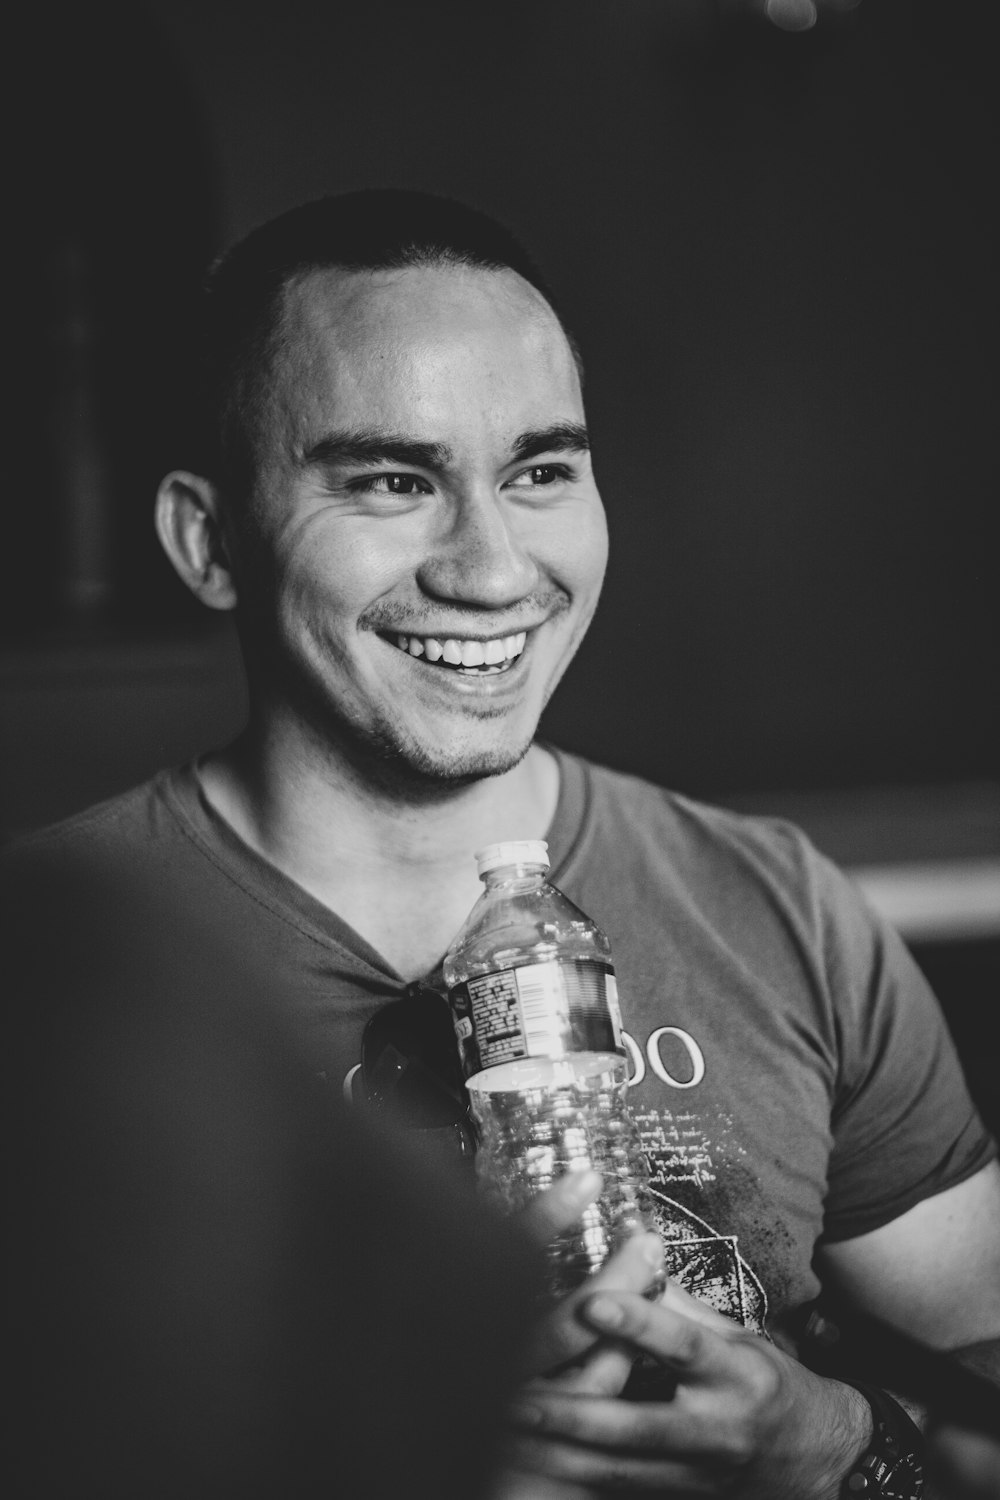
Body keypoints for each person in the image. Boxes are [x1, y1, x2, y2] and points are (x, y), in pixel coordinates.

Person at [4, 188, 998, 1498]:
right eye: (393, 479)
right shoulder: (50, 967)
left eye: (539, 471)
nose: (490, 567)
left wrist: (827, 1443)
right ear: (209, 541)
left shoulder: (781, 907)